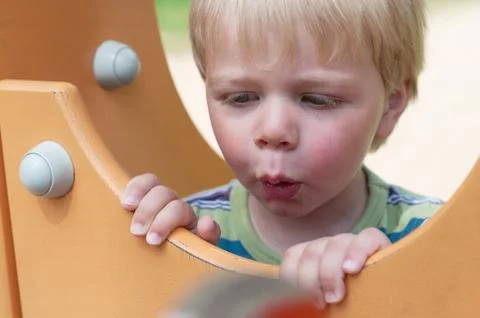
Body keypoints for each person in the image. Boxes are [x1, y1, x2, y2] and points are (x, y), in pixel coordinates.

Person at [121, 0, 443, 309]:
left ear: (390, 103)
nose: (273, 131)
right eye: (241, 97)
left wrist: (394, 285)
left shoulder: (432, 236)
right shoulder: (193, 235)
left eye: (317, 99)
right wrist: (168, 276)